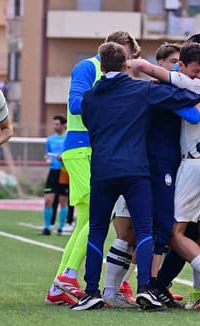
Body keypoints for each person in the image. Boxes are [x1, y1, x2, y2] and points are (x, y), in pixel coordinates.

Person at [70, 41, 200, 311]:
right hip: (137, 169)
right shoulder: (143, 90)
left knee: (98, 230)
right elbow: (188, 104)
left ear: (101, 65)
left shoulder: (89, 97)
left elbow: (88, 120)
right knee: (146, 229)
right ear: (124, 65)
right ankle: (146, 288)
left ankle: (92, 292)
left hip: (102, 170)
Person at [46, 31, 143, 306]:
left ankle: (59, 285)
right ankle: (68, 276)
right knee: (96, 217)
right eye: (125, 56)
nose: (127, 64)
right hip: (81, 148)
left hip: (96, 149)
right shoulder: (87, 67)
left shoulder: (115, 76)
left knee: (86, 221)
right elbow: (76, 105)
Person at [43, 115, 68, 236]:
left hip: (64, 171)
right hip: (53, 172)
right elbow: (47, 155)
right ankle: (47, 228)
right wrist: (47, 159)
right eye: (54, 124)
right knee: (48, 200)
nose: (55, 126)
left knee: (64, 200)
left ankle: (61, 228)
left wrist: (64, 157)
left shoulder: (69, 138)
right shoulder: (50, 139)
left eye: (57, 124)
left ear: (64, 125)